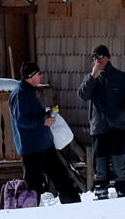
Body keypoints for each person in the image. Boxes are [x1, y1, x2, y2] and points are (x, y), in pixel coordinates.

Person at [10, 63, 82, 204]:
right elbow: (21, 120)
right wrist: (42, 122)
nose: (41, 76)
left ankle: (73, 206)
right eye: (38, 73)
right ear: (30, 76)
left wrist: (46, 114)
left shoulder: (29, 91)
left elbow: (32, 115)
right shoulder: (20, 93)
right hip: (31, 148)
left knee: (62, 178)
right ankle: (28, 212)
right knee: (33, 186)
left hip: (43, 144)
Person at [78, 44, 125, 199]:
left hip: (118, 126)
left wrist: (121, 112)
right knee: (100, 162)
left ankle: (122, 187)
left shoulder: (121, 77)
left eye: (100, 57)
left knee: (118, 161)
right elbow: (83, 95)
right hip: (98, 126)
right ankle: (101, 188)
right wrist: (92, 77)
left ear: (108, 58)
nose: (97, 61)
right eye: (94, 59)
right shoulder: (91, 78)